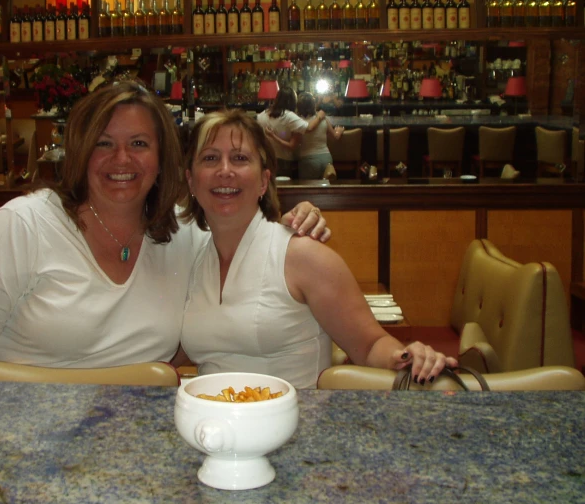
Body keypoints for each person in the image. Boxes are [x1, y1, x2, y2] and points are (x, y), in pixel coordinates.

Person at [0, 81, 329, 367]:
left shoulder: (185, 234)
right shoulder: (21, 227)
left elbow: (249, 236)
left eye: (140, 144)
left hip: (138, 441)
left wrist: (299, 219)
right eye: (104, 143)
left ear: (163, 158)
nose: (122, 160)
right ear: (80, 152)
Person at [179, 109, 457, 389]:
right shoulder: (192, 257)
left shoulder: (303, 255)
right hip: (209, 425)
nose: (224, 171)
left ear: (263, 181)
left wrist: (410, 357)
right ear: (191, 180)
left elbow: (371, 345)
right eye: (210, 158)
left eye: (240, 158)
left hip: (295, 425)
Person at [256, 86, 324, 178]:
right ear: (292, 101)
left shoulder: (261, 115)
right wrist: (319, 116)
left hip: (266, 158)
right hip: (283, 161)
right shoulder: (289, 116)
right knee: (283, 189)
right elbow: (309, 128)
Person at [295, 92, 343, 180]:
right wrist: (339, 131)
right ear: (313, 105)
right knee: (326, 190)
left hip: (308, 160)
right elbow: (335, 137)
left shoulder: (297, 121)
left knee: (308, 191)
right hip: (326, 159)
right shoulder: (323, 118)